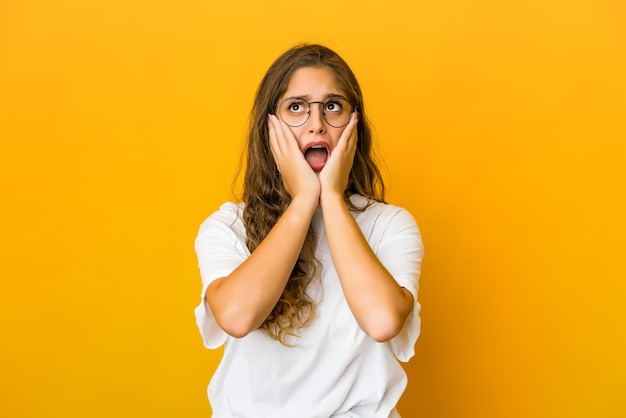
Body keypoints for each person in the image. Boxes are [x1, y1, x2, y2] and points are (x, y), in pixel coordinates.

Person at [194, 44, 424, 418]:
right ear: (270, 126)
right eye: (297, 107)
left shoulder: (390, 225)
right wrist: (304, 200)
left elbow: (382, 321)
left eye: (332, 106)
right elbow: (237, 317)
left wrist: (330, 196)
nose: (316, 123)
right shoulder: (227, 226)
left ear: (354, 125)